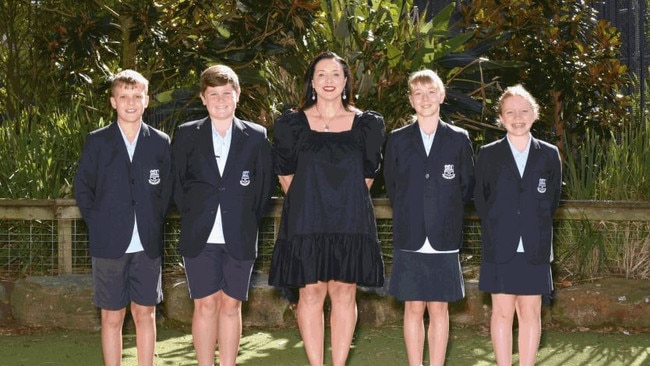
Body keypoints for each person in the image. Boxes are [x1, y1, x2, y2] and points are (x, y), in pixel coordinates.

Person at [268, 51, 386, 366]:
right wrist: (314, 202)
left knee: (345, 293)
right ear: (312, 82)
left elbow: (368, 175)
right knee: (310, 294)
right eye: (321, 74)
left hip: (350, 219)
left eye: (335, 74)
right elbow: (285, 173)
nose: (329, 81)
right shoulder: (291, 124)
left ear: (347, 80)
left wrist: (340, 202)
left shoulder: (367, 125)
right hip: (306, 220)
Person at [171, 65, 274, 366]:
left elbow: (264, 188)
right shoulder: (187, 135)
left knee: (230, 305)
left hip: (239, 234)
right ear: (203, 98)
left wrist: (245, 219)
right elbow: (177, 184)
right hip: (199, 234)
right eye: (213, 94)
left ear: (237, 96)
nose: (220, 100)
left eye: (226, 93)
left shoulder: (256, 137)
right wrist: (193, 213)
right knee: (204, 305)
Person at [74, 69, 172, 366]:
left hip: (147, 243)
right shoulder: (97, 141)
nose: (131, 102)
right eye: (124, 97)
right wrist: (101, 225)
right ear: (113, 102)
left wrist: (153, 222)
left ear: (146, 100)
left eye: (137, 96)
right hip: (109, 244)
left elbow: (166, 191)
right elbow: (83, 190)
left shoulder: (160, 141)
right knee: (112, 316)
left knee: (146, 313)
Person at [383, 69, 474, 366]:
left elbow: (465, 187)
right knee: (413, 308)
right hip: (410, 235)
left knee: (439, 309)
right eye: (418, 93)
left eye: (431, 92)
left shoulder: (459, 139)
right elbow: (393, 186)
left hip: (444, 236)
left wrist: (442, 214)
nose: (425, 98)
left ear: (442, 95)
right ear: (410, 100)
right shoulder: (396, 140)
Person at [474, 84, 562, 366]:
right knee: (501, 312)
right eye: (510, 112)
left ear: (534, 114)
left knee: (531, 312)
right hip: (500, 244)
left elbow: (552, 200)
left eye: (524, 111)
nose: (518, 117)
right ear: (501, 117)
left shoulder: (549, 154)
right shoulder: (488, 154)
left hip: (535, 246)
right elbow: (480, 199)